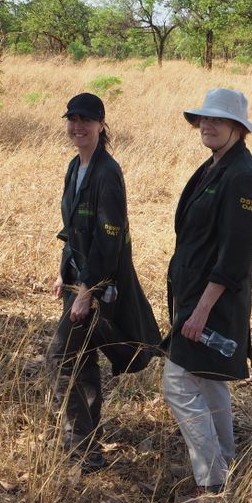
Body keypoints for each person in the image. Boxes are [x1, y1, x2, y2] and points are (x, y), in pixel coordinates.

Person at [163, 88, 252, 503]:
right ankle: (225, 459)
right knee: (209, 383)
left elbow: (236, 255)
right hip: (194, 294)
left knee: (177, 382)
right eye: (203, 119)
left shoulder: (244, 177)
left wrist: (201, 310)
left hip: (212, 303)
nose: (207, 126)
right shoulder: (215, 166)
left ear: (238, 128)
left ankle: (210, 481)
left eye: (218, 121)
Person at [47, 92, 160, 471]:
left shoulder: (108, 172)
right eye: (72, 119)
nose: (77, 127)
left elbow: (109, 237)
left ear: (101, 125)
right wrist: (63, 270)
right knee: (81, 360)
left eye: (86, 120)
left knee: (61, 359)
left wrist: (86, 292)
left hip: (97, 285)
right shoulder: (73, 167)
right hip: (78, 279)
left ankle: (82, 449)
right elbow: (74, 229)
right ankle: (87, 446)